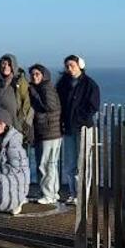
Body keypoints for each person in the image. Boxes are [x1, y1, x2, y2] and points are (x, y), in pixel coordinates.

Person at [56, 55, 100, 205]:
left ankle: (83, 195)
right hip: (68, 128)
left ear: (80, 65)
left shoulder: (90, 84)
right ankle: (73, 193)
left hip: (83, 128)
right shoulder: (63, 84)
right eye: (67, 66)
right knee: (70, 163)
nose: (70, 69)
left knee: (83, 162)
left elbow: (93, 106)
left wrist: (78, 118)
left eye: (72, 65)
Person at [28, 64, 62, 204]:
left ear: (44, 75)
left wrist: (34, 94)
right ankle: (52, 192)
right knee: (50, 164)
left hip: (49, 131)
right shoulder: (42, 88)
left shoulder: (46, 88)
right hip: (47, 132)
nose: (34, 77)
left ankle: (48, 194)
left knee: (45, 164)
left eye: (37, 74)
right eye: (32, 74)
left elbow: (50, 107)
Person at [0, 109, 30, 215]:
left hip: (14, 176)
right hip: (1, 173)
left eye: (1, 123)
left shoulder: (13, 142)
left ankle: (17, 202)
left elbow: (16, 167)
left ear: (6, 125)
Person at [0, 54, 33, 145]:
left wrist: (23, 123)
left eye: (9, 64)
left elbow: (26, 104)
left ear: (14, 66)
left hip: (16, 125)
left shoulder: (20, 81)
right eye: (3, 64)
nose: (6, 67)